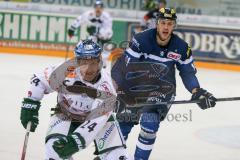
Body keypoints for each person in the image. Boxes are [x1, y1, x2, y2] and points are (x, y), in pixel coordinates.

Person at [111, 8, 217, 160]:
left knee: (149, 125)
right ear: (157, 24)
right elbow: (123, 66)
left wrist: (196, 91)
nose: (166, 27)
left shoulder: (181, 47)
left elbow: (187, 72)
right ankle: (110, 156)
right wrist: (116, 88)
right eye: (163, 23)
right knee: (123, 123)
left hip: (162, 89)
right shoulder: (141, 39)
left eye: (170, 23)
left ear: (174, 26)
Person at [20, 39, 132, 160]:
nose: (89, 69)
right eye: (84, 62)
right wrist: (30, 104)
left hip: (99, 121)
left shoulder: (107, 87)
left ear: (99, 61)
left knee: (119, 157)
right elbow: (39, 80)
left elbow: (96, 121)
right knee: (54, 152)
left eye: (93, 62)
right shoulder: (64, 71)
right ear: (77, 61)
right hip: (65, 114)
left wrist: (76, 141)